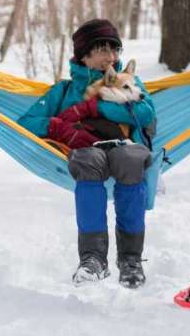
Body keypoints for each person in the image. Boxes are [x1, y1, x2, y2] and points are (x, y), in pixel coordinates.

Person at [18, 19, 156, 288]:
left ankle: (130, 259)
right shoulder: (65, 90)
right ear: (85, 55)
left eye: (115, 50)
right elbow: (26, 122)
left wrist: (97, 108)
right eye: (103, 50)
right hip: (84, 149)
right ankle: (93, 259)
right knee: (87, 161)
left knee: (130, 161)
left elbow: (145, 111)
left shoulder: (130, 81)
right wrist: (55, 124)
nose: (112, 57)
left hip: (124, 146)